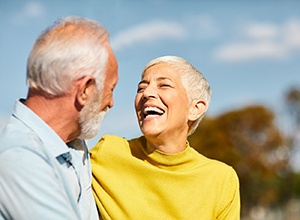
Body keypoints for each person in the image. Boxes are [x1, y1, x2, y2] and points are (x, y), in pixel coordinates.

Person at [90, 55, 240, 219]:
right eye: (141, 88)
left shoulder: (221, 179)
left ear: (195, 108)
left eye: (164, 85)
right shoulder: (107, 152)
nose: (146, 93)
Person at [0, 16, 118, 220]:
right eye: (111, 89)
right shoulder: (19, 157)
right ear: (85, 90)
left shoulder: (74, 144)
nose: (111, 103)